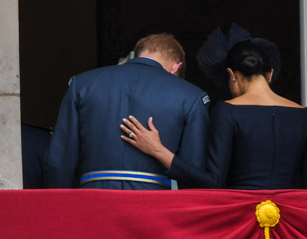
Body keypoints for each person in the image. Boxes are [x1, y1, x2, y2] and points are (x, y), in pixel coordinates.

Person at [121, 34, 307, 190]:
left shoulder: (228, 111)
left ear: (231, 75)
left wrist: (158, 150)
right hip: (286, 222)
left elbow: (212, 181)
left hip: (243, 220)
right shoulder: (306, 117)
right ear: (270, 74)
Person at [43, 33, 210, 189]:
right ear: (177, 68)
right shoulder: (192, 96)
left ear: (137, 54)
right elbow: (192, 175)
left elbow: (59, 161)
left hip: (94, 198)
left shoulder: (82, 85)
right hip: (154, 203)